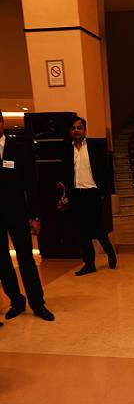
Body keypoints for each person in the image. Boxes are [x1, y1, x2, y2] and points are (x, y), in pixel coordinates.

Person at [0, 109, 54, 322]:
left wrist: (35, 215)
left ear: (2, 122)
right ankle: (16, 300)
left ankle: (37, 303)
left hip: (17, 213)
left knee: (26, 259)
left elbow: (30, 185)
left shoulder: (18, 148)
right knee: (2, 262)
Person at [61, 117, 117, 276]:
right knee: (82, 231)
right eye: (73, 128)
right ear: (70, 131)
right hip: (76, 195)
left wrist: (104, 192)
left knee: (98, 228)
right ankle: (89, 263)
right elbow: (65, 173)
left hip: (93, 194)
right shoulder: (66, 149)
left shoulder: (94, 147)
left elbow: (105, 171)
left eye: (79, 128)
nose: (76, 131)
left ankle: (110, 253)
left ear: (84, 130)